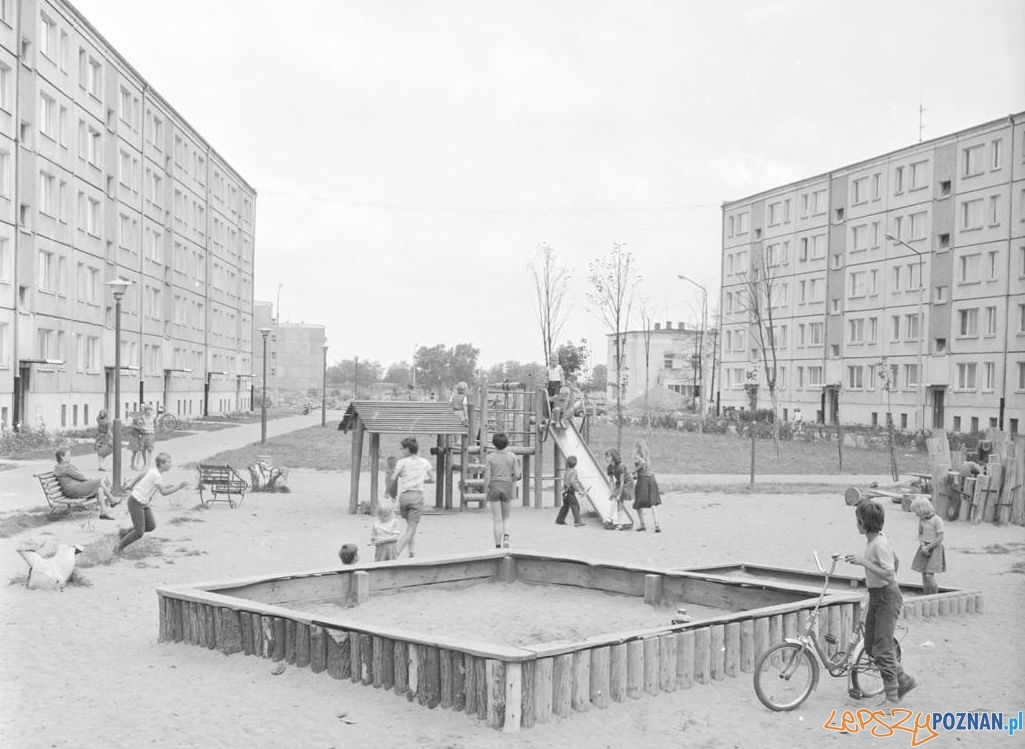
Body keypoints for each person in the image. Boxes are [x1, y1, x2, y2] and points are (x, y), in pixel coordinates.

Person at [844, 500, 917, 704]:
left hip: (887, 597)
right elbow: (896, 562)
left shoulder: (878, 544)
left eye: (857, 521)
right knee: (870, 646)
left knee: (883, 649)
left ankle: (892, 698)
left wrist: (864, 562)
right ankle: (904, 680)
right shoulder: (877, 539)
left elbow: (889, 573)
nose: (856, 524)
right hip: (878, 595)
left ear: (863, 523)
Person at [116, 452, 189, 553]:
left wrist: (131, 485)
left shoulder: (153, 471)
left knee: (150, 526)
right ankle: (118, 548)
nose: (170, 464)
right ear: (162, 464)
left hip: (143, 503)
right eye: (168, 462)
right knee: (139, 533)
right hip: (135, 502)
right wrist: (179, 487)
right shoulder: (157, 475)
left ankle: (124, 533)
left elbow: (142, 474)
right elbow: (163, 492)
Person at [391, 437, 434, 558]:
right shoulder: (424, 462)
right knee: (411, 528)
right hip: (416, 496)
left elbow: (393, 477)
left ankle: (411, 552)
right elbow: (433, 479)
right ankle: (396, 553)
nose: (400, 450)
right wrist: (421, 480)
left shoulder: (401, 462)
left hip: (404, 497)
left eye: (402, 448)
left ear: (407, 449)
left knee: (410, 526)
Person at [53, 447, 120, 520]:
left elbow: (76, 474)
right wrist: (89, 481)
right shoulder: (64, 467)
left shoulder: (61, 466)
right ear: (62, 457)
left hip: (72, 490)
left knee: (99, 489)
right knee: (99, 481)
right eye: (68, 455)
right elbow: (79, 476)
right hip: (74, 490)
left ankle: (103, 512)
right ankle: (112, 500)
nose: (70, 457)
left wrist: (89, 482)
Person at [484, 432, 521, 548]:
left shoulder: (490, 457)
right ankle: (506, 536)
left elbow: (487, 476)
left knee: (497, 518)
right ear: (507, 443)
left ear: (494, 444)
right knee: (506, 517)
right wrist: (511, 477)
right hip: (507, 486)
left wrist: (486, 488)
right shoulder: (512, 456)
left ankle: (497, 545)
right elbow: (517, 475)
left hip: (494, 486)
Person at [910, 495, 945, 596]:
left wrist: (929, 547)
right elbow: (920, 533)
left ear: (922, 510)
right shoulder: (922, 520)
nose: (916, 515)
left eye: (916, 512)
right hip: (924, 547)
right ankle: (926, 595)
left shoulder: (937, 520)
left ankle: (935, 596)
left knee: (929, 575)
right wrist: (922, 545)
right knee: (924, 574)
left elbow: (940, 537)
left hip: (934, 548)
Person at [632, 440, 662, 533]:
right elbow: (646, 464)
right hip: (652, 479)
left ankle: (642, 524)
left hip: (643, 480)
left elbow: (643, 463)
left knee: (638, 503)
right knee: (653, 503)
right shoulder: (648, 454)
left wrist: (634, 470)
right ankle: (656, 524)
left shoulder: (637, 455)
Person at [605, 448, 632, 531]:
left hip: (627, 483)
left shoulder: (621, 466)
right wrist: (612, 492)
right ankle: (620, 525)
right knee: (617, 500)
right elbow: (611, 481)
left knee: (618, 500)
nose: (607, 458)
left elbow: (623, 481)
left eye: (608, 457)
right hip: (619, 483)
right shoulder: (609, 467)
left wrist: (619, 494)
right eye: (606, 457)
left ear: (613, 457)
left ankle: (611, 518)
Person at [555, 455, 586, 527]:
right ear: (576, 463)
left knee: (565, 506)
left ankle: (559, 520)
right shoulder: (574, 471)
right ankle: (577, 521)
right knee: (576, 505)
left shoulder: (566, 471)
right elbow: (572, 482)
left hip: (564, 492)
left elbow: (568, 481)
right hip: (570, 492)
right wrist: (579, 490)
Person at [139, 404, 157, 468]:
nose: (148, 411)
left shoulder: (153, 417)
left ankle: (149, 465)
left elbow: (155, 424)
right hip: (144, 434)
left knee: (150, 450)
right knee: (143, 449)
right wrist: (141, 427)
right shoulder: (143, 417)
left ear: (151, 410)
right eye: (147, 410)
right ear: (145, 411)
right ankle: (145, 463)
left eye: (150, 410)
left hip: (150, 435)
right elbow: (140, 424)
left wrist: (153, 430)